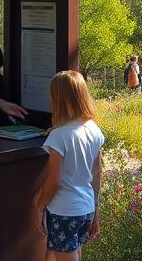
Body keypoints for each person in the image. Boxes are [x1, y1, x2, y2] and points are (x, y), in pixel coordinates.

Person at [35, 70, 104, 260]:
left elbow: (54, 180)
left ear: (57, 99)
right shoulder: (93, 129)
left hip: (64, 211)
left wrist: (39, 206)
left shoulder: (58, 136)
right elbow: (97, 172)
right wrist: (96, 209)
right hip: (86, 208)